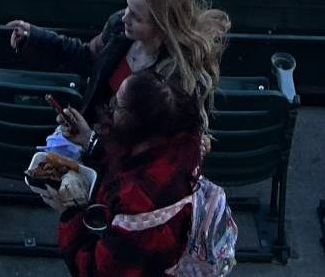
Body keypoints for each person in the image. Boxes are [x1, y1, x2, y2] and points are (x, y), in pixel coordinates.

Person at [5, 0, 229, 119]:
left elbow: (149, 150)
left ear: (162, 26)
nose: (124, 18)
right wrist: (35, 37)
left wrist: (90, 142)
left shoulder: (176, 81)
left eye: (136, 17)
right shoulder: (118, 28)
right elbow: (87, 57)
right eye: (127, 7)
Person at [51, 69, 212, 277]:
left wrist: (70, 211)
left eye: (117, 105)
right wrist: (90, 141)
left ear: (137, 124)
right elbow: (130, 159)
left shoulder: (137, 199)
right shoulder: (181, 146)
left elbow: (96, 270)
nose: (110, 110)